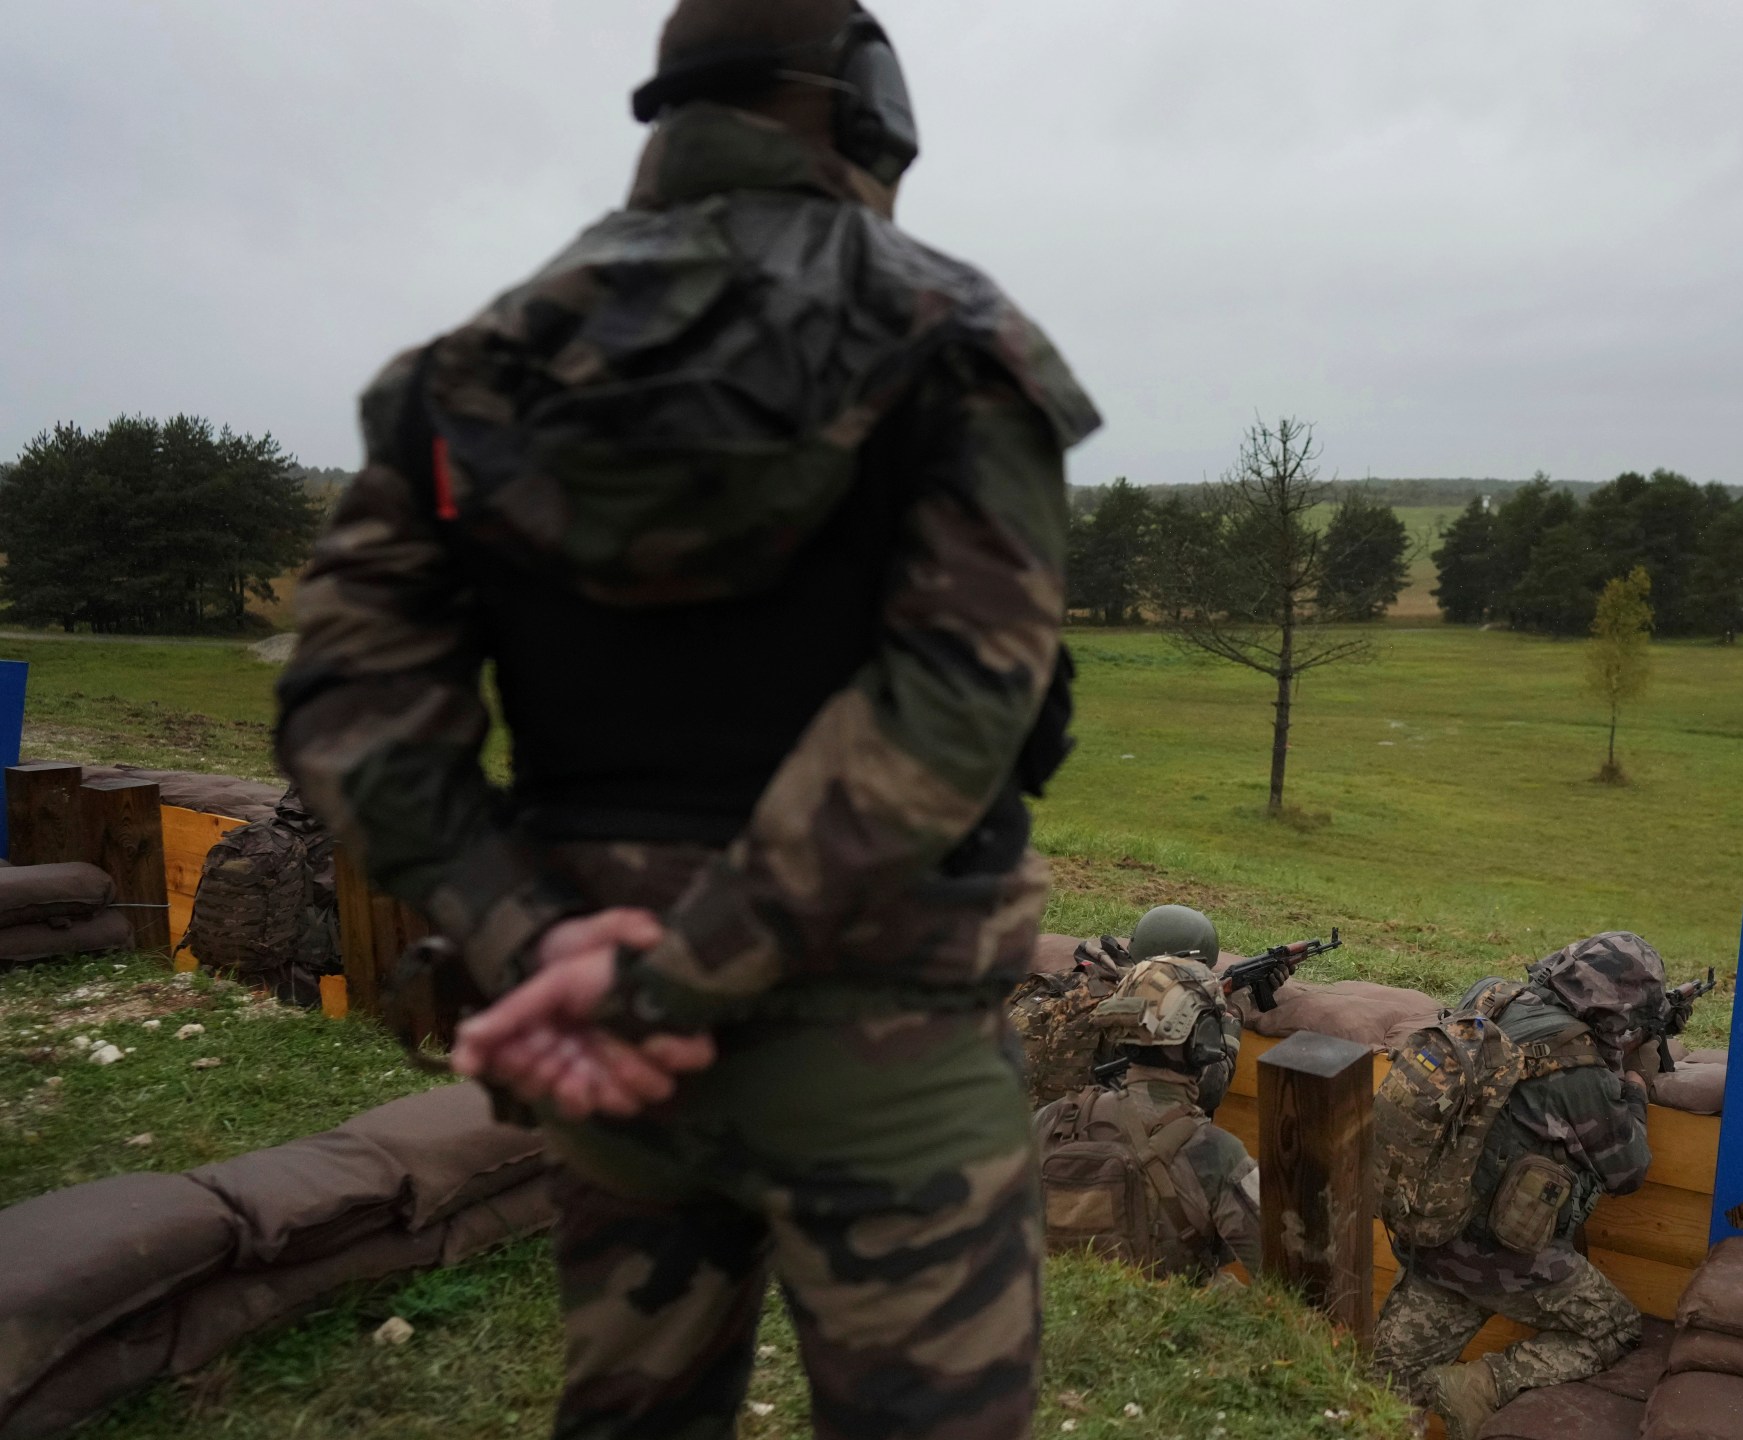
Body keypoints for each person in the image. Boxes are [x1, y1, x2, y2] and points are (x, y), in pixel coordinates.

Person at [273, 1, 1097, 1435]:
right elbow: (959, 709)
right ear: (869, 109)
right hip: (879, 1047)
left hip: (600, 1053)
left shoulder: (476, 364)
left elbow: (349, 697)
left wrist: (532, 940)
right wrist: (684, 977)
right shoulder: (950, 335)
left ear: (674, 115)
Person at [1372, 933, 1668, 1440]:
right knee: (1616, 1329)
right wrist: (1634, 1088)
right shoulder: (1581, 1071)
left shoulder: (1490, 997)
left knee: (1381, 1398)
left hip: (1433, 1232)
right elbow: (1627, 1170)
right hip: (1508, 1261)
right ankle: (1484, 1385)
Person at [1031, 953, 1261, 1281]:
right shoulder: (1216, 1152)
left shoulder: (1051, 1121)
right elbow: (1292, 1278)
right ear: (1204, 1035)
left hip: (1063, 1317)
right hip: (1164, 1327)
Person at [1009, 903, 1222, 1106]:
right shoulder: (1145, 1009)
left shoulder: (1077, 980)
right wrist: (1227, 1023)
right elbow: (1208, 1091)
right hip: (1080, 1132)